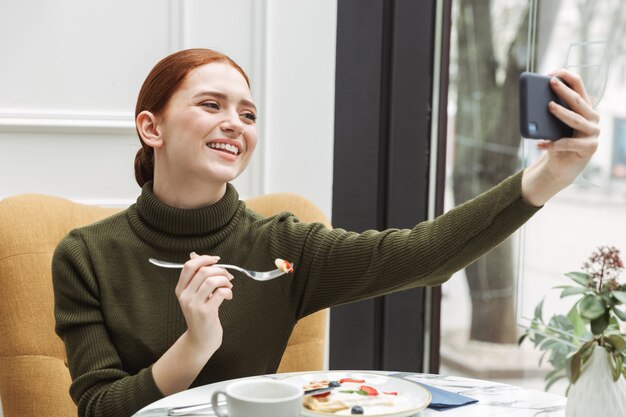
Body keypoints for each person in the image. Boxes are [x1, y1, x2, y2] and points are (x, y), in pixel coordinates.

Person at [52, 48, 600, 417]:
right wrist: (195, 344)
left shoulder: (285, 247)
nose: (235, 124)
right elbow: (99, 409)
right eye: (211, 105)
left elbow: (427, 254)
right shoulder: (86, 255)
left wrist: (548, 175)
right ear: (152, 128)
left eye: (248, 114)